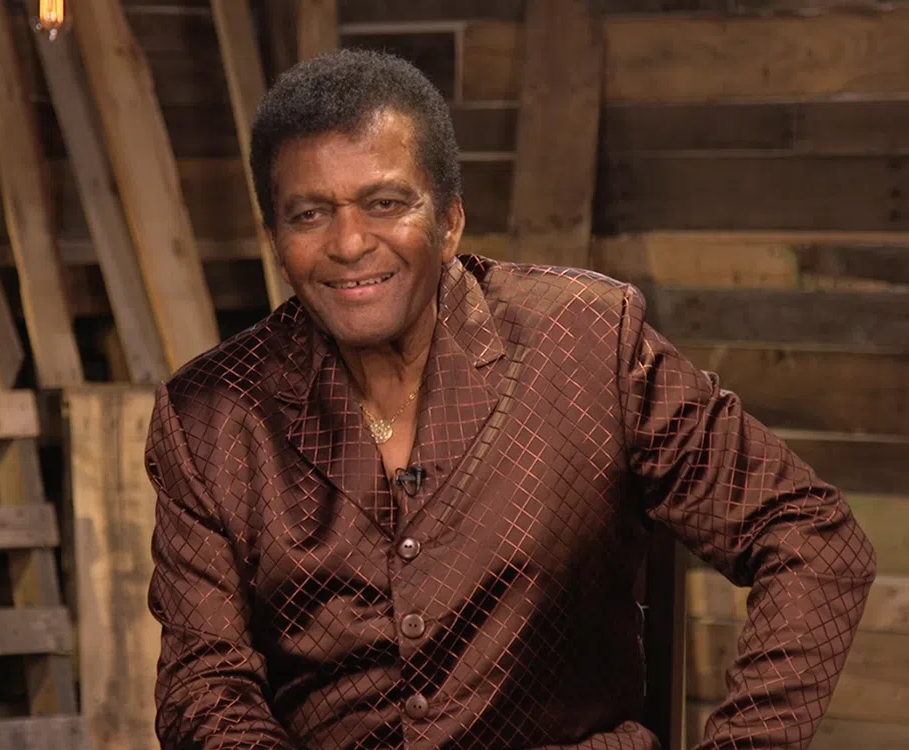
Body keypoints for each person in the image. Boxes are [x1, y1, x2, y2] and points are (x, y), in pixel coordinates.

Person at [144, 49, 876, 750]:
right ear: (276, 240)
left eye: (386, 203)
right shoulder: (209, 415)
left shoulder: (585, 341)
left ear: (450, 222)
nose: (349, 242)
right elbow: (203, 687)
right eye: (310, 214)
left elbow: (811, 538)